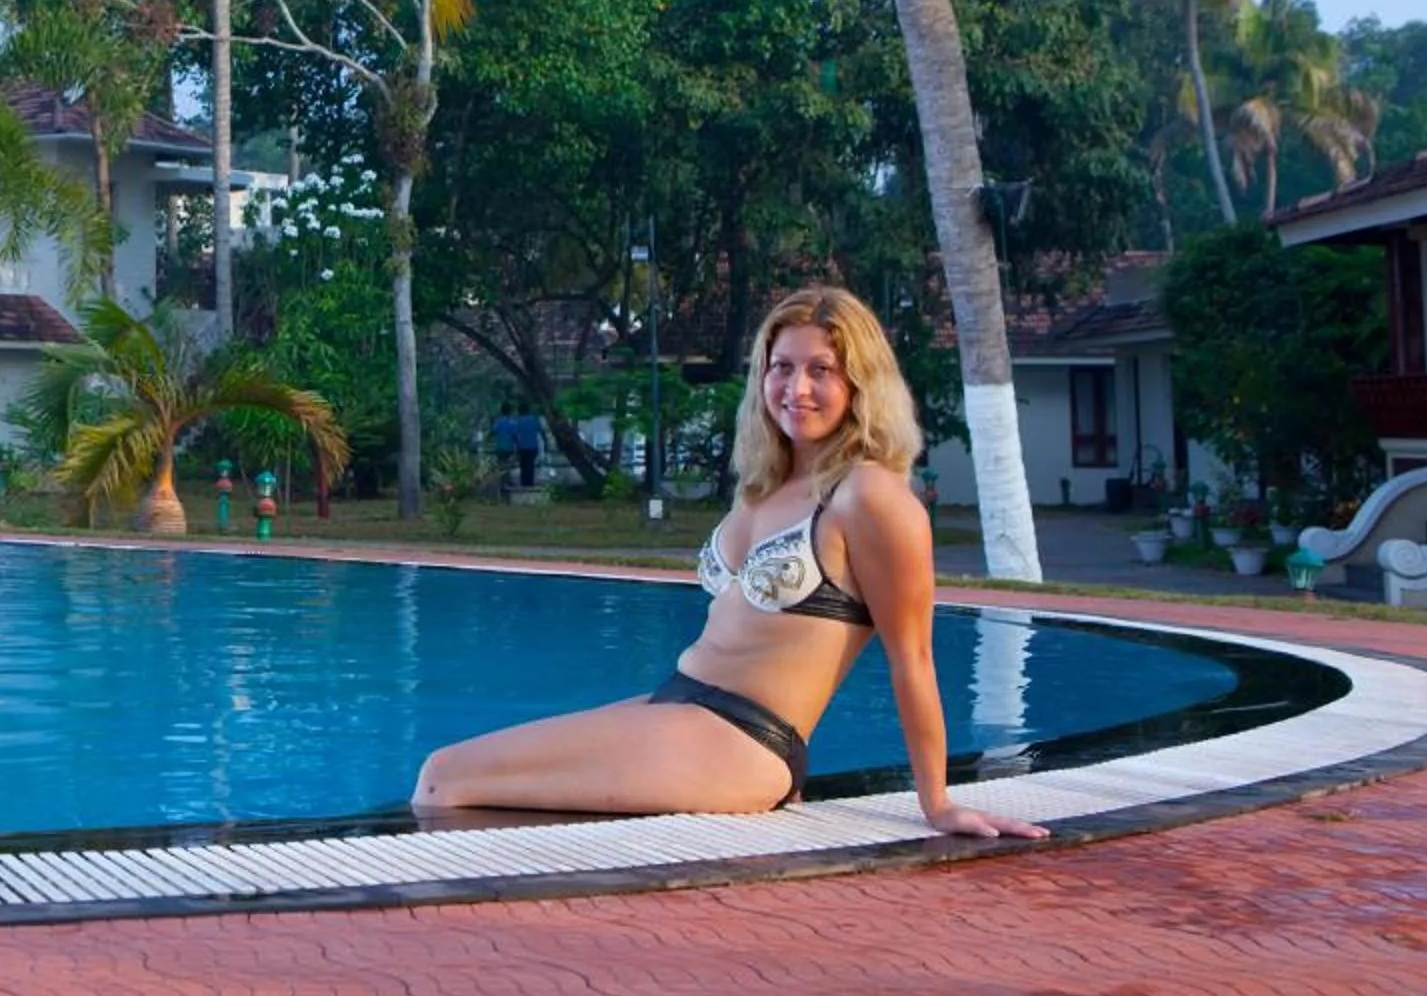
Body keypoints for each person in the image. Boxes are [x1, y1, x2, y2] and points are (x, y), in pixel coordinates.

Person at [413, 288, 1046, 838]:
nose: (796, 388)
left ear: (860, 384)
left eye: (821, 370)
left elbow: (914, 657)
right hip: (679, 707)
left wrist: (936, 803)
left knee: (443, 779)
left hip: (742, 738)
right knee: (464, 778)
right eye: (782, 367)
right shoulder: (766, 484)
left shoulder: (870, 496)